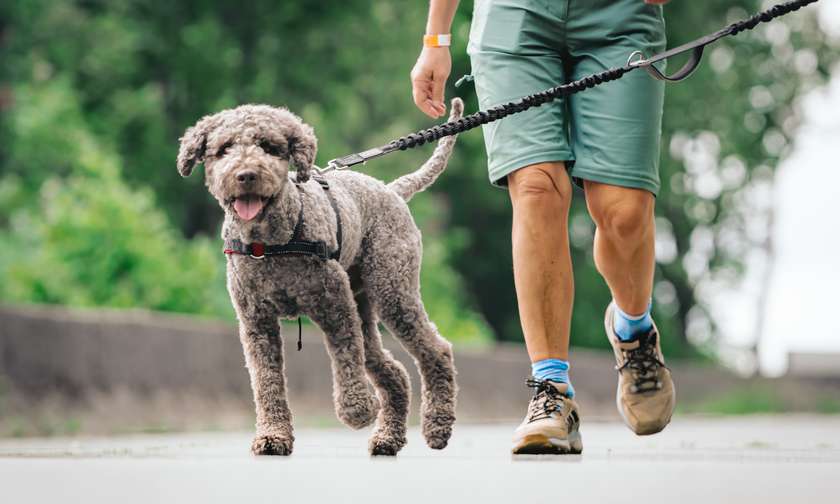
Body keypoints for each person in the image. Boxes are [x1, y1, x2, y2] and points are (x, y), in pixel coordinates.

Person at [410, 0, 676, 454]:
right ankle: (551, 392)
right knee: (536, 188)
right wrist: (436, 38)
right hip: (514, 17)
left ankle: (634, 330)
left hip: (620, 17)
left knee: (624, 210)